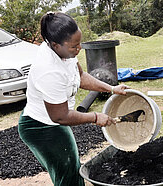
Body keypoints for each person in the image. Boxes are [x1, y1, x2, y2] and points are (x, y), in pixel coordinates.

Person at [18, 12, 128, 186]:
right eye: (74, 47)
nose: (79, 49)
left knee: (72, 169)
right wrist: (96, 117)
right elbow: (60, 116)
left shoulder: (65, 52)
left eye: (79, 44)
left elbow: (81, 76)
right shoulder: (48, 70)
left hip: (54, 121)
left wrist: (112, 88)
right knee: (67, 175)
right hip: (40, 127)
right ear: (55, 45)